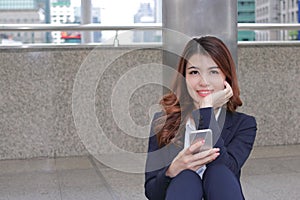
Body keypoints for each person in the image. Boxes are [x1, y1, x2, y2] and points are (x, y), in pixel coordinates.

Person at [144, 36, 257, 200]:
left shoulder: (244, 124)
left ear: (226, 77)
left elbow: (226, 171)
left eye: (213, 71)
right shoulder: (163, 122)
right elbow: (152, 193)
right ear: (184, 77)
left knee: (218, 173)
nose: (204, 82)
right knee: (185, 177)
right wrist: (172, 170)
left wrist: (206, 109)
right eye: (194, 72)